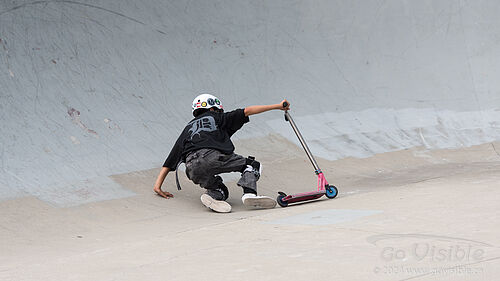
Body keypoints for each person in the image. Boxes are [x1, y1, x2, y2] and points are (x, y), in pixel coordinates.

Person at [153, 93, 290, 213]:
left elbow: (171, 159)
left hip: (191, 167)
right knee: (252, 165)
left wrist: (157, 186)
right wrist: (277, 106)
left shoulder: (187, 128)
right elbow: (247, 111)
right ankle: (249, 194)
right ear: (213, 108)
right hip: (211, 157)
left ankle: (213, 196)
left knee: (220, 189)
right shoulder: (218, 117)